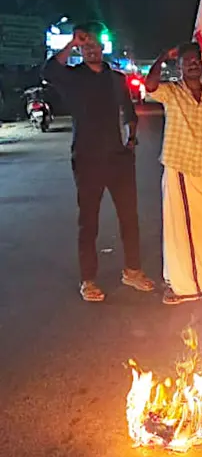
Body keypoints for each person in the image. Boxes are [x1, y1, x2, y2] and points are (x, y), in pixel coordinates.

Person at [43, 21, 154, 302]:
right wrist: (70, 43)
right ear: (81, 48)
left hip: (118, 159)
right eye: (86, 45)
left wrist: (130, 139)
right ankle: (88, 280)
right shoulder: (74, 76)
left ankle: (133, 271)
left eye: (95, 44)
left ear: (104, 47)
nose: (91, 49)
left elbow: (129, 110)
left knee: (129, 218)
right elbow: (48, 71)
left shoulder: (115, 78)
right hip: (87, 158)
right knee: (88, 222)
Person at [146, 42, 202, 305]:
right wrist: (161, 57)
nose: (193, 64)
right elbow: (149, 86)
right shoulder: (172, 93)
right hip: (180, 166)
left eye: (196, 60)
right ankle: (181, 284)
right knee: (179, 230)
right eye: (187, 60)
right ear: (180, 66)